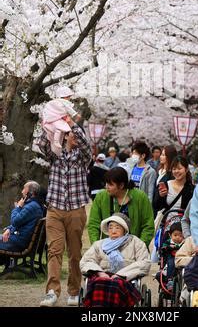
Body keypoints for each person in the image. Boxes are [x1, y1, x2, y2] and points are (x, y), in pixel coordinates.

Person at [38, 119, 92, 307]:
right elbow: (42, 144)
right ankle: (52, 292)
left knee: (75, 253)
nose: (73, 136)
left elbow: (86, 146)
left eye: (75, 134)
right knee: (54, 251)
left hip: (76, 209)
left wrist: (72, 124)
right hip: (54, 209)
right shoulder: (55, 154)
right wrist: (49, 123)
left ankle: (74, 291)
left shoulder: (83, 157)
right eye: (69, 134)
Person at [80, 213, 150, 307]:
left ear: (124, 229)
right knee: (99, 282)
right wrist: (100, 272)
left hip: (126, 279)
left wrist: (121, 275)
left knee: (116, 284)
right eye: (110, 227)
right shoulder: (99, 244)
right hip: (103, 276)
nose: (113, 231)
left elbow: (144, 263)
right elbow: (86, 261)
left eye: (117, 227)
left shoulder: (136, 243)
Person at [88, 167, 154, 248]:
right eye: (106, 183)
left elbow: (148, 225)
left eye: (110, 184)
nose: (106, 187)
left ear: (121, 185)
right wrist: (97, 246)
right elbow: (93, 224)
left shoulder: (140, 197)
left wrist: (139, 247)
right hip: (108, 248)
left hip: (134, 248)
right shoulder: (101, 196)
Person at [0, 181, 43, 258]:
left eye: (24, 188)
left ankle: (8, 262)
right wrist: (9, 229)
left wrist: (18, 207)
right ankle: (7, 263)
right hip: (18, 239)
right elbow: (20, 221)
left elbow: (15, 221)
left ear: (30, 193)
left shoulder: (31, 207)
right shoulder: (33, 205)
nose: (22, 191)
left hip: (18, 243)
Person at [42, 85, 80, 156]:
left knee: (57, 130)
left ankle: (55, 142)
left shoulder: (53, 102)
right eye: (69, 96)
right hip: (59, 119)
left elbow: (48, 110)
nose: (69, 98)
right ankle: (56, 142)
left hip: (53, 119)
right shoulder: (64, 102)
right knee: (59, 129)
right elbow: (69, 109)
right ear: (66, 96)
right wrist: (75, 114)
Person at [152, 145, 177, 216]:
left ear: (169, 157)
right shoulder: (159, 171)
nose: (160, 156)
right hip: (155, 207)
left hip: (163, 209)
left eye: (163, 155)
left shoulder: (171, 175)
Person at [160, 222, 184, 289]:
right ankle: (169, 280)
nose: (177, 237)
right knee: (171, 263)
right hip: (171, 257)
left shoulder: (184, 242)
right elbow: (163, 248)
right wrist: (167, 247)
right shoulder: (168, 242)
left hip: (181, 258)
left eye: (180, 235)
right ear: (170, 235)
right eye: (175, 235)